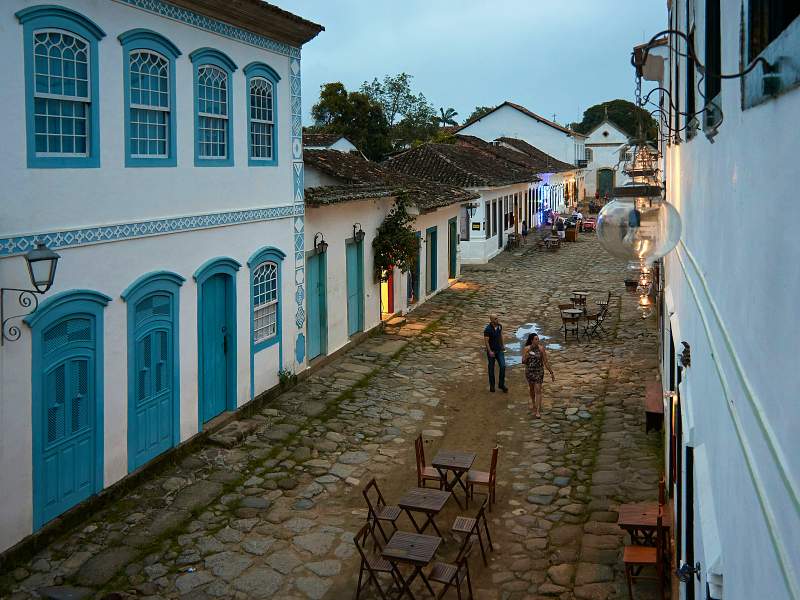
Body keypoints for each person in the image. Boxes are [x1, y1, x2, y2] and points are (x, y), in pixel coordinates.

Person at [522, 333, 555, 418]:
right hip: (530, 371)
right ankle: (533, 403)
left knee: (538, 390)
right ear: (532, 340)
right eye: (536, 339)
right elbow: (523, 361)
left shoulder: (541, 349)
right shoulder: (526, 349)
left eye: (538, 339)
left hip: (539, 371)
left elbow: (546, 362)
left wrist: (551, 372)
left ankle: (537, 411)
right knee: (532, 389)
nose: (538, 341)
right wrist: (527, 355)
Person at [483, 315, 507, 393]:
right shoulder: (488, 329)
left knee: (503, 366)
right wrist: (489, 351)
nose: (497, 319)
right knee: (491, 368)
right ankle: (492, 386)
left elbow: (500, 335)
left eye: (497, 318)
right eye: (496, 318)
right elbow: (486, 341)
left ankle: (501, 384)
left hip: (499, 350)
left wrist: (503, 345)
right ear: (492, 320)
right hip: (492, 351)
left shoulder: (499, 326)